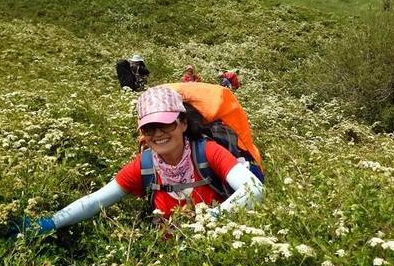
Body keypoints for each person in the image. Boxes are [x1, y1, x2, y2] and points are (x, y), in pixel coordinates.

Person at [16, 86, 265, 234]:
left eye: (165, 123)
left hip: (219, 246)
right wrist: (49, 223)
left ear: (183, 123)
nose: (157, 134)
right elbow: (94, 202)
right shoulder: (145, 165)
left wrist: (209, 221)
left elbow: (254, 189)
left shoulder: (207, 151)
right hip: (172, 258)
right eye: (149, 128)